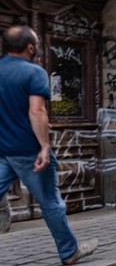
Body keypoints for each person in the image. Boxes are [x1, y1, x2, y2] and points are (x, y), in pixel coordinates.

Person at [0, 26, 98, 264]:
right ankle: (69, 252)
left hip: (2, 151)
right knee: (51, 203)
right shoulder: (34, 72)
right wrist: (44, 145)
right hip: (29, 152)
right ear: (31, 47)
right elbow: (36, 110)